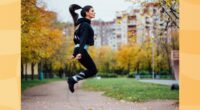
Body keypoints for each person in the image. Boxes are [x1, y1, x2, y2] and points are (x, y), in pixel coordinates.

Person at [67, 4, 98, 93]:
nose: (94, 12)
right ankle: (72, 79)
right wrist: (79, 52)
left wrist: (74, 53)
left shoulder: (82, 24)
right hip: (81, 50)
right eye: (92, 11)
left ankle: (73, 79)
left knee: (92, 70)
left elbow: (77, 39)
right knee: (93, 70)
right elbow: (82, 39)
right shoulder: (85, 24)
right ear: (86, 13)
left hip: (79, 49)